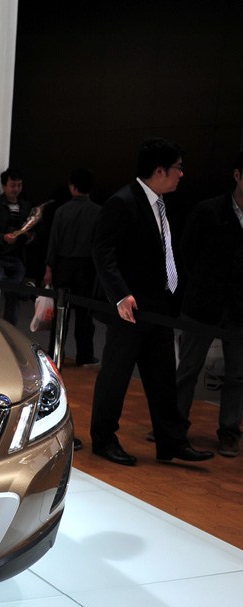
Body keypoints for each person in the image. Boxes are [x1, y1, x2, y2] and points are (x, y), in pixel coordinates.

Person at [89, 137, 213, 466]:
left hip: (158, 307)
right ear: (160, 170)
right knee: (116, 376)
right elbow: (102, 250)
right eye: (178, 168)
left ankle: (172, 442)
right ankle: (103, 439)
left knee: (163, 378)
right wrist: (120, 294)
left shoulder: (158, 202)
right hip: (129, 308)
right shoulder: (123, 201)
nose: (181, 174)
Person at [173, 150, 243, 458]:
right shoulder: (208, 211)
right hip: (202, 303)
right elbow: (186, 252)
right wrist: (202, 284)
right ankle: (174, 425)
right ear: (237, 175)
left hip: (240, 310)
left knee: (237, 375)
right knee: (188, 368)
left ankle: (229, 431)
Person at [44, 168, 101, 365]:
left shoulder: (62, 211)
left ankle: (55, 354)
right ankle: (85, 356)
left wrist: (49, 267)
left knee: (61, 312)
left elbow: (54, 242)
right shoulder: (98, 212)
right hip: (87, 268)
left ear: (73, 187)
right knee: (85, 315)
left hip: (63, 265)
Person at [0, 168, 34, 325]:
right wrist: (3, 238)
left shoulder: (26, 206)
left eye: (19, 185)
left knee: (12, 298)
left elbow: (33, 231)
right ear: (4, 186)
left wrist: (29, 236)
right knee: (6, 287)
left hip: (17, 257)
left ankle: (10, 328)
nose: (16, 189)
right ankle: (25, 292)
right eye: (12, 185)